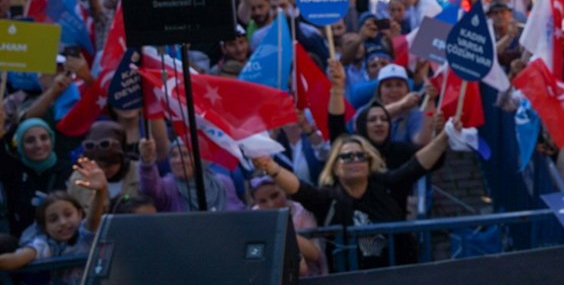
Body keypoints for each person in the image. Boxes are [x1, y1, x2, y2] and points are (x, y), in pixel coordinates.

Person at [253, 118, 451, 271]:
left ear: (369, 162)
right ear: (335, 167)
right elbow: (299, 189)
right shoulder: (328, 199)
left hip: (399, 274)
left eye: (360, 155)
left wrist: (444, 135)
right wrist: (272, 168)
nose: (354, 159)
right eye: (346, 156)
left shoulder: (387, 185)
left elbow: (415, 166)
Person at [0, 159, 108, 283]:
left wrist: (101, 191)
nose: (62, 222)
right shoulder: (46, 245)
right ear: (44, 227)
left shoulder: (85, 234)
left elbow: (94, 218)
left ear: (79, 214)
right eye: (53, 219)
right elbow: (17, 258)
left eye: (68, 214)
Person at [1, 117, 73, 236]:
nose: (38, 145)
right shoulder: (13, 172)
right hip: (22, 245)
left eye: (44, 138)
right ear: (19, 145)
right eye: (30, 140)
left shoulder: (70, 170)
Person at [138, 139, 245, 213]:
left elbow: (237, 212)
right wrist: (147, 162)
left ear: (201, 158)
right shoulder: (168, 185)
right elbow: (150, 189)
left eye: (185, 154)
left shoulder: (222, 182)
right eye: (173, 155)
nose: (178, 160)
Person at [248, 176, 327, 277]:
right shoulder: (252, 216)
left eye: (275, 196)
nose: (271, 204)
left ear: (284, 191)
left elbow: (316, 255)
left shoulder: (302, 211)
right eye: (263, 201)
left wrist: (280, 228)